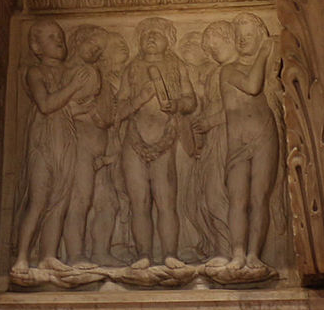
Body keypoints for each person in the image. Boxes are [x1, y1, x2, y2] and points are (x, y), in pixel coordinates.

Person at [12, 19, 99, 273]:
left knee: (60, 199)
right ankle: (22, 257)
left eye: (59, 35)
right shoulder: (35, 72)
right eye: (50, 37)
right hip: (44, 140)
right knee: (39, 199)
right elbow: (47, 105)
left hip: (67, 138)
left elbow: (71, 108)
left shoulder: (68, 72)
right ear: (36, 47)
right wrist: (73, 87)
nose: (58, 40)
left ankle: (49, 255)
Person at [113, 17, 198, 266]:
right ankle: (143, 256)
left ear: (168, 42)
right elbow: (118, 109)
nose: (150, 37)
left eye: (157, 34)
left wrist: (178, 104)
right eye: (146, 33)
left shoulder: (176, 66)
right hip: (134, 140)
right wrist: (140, 98)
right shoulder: (132, 68)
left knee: (165, 201)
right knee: (139, 201)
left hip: (165, 140)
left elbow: (191, 100)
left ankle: (170, 254)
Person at [203, 15, 278, 271]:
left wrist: (271, 51)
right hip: (237, 143)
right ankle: (237, 253)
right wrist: (265, 53)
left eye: (248, 36)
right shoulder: (229, 70)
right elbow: (252, 85)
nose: (243, 40)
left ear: (261, 38)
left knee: (259, 197)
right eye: (239, 37)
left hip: (263, 135)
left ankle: (254, 254)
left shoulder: (264, 65)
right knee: (238, 198)